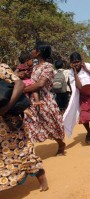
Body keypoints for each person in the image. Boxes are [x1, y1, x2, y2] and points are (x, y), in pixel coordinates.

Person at [0, 63, 48, 192]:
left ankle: (41, 178)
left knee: (22, 152)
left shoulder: (1, 68)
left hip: (9, 123)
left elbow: (20, 84)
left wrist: (6, 107)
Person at [24, 41, 66, 156]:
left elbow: (40, 84)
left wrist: (23, 90)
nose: (32, 51)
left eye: (34, 49)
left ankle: (60, 143)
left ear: (39, 52)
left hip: (44, 100)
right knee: (30, 125)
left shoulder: (48, 66)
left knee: (51, 123)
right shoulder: (34, 66)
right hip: (33, 100)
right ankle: (28, 153)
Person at [63, 52, 90, 148]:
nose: (76, 64)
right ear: (71, 63)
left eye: (78, 62)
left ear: (81, 61)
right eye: (73, 62)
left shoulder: (88, 66)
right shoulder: (71, 72)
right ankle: (88, 131)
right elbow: (78, 86)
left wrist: (86, 69)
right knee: (84, 116)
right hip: (83, 96)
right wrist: (75, 73)